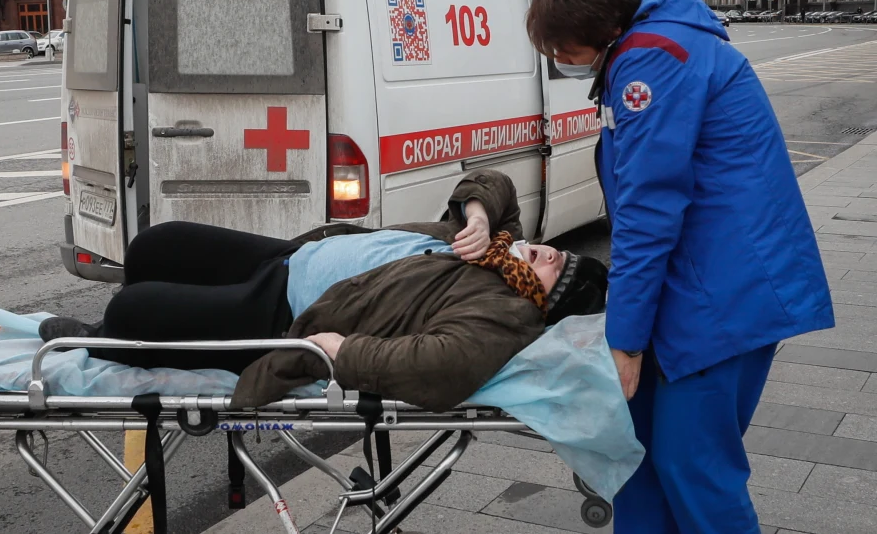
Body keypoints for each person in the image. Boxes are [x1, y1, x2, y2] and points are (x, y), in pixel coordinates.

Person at [524, 0, 834, 533]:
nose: (557, 61)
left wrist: (626, 342)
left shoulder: (651, 63)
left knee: (693, 465)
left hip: (721, 294)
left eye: (560, 48)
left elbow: (648, 213)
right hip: (698, 283)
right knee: (639, 454)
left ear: (599, 31)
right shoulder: (648, 40)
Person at [40, 170, 608, 412]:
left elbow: (439, 366)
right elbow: (495, 184)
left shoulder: (504, 315)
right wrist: (480, 213)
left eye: (558, 266)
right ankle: (163, 323)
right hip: (289, 257)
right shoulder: (495, 248)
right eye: (559, 250)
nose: (551, 251)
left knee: (134, 307)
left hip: (286, 315)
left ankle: (104, 340)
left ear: (546, 301)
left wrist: (342, 352)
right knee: (154, 246)